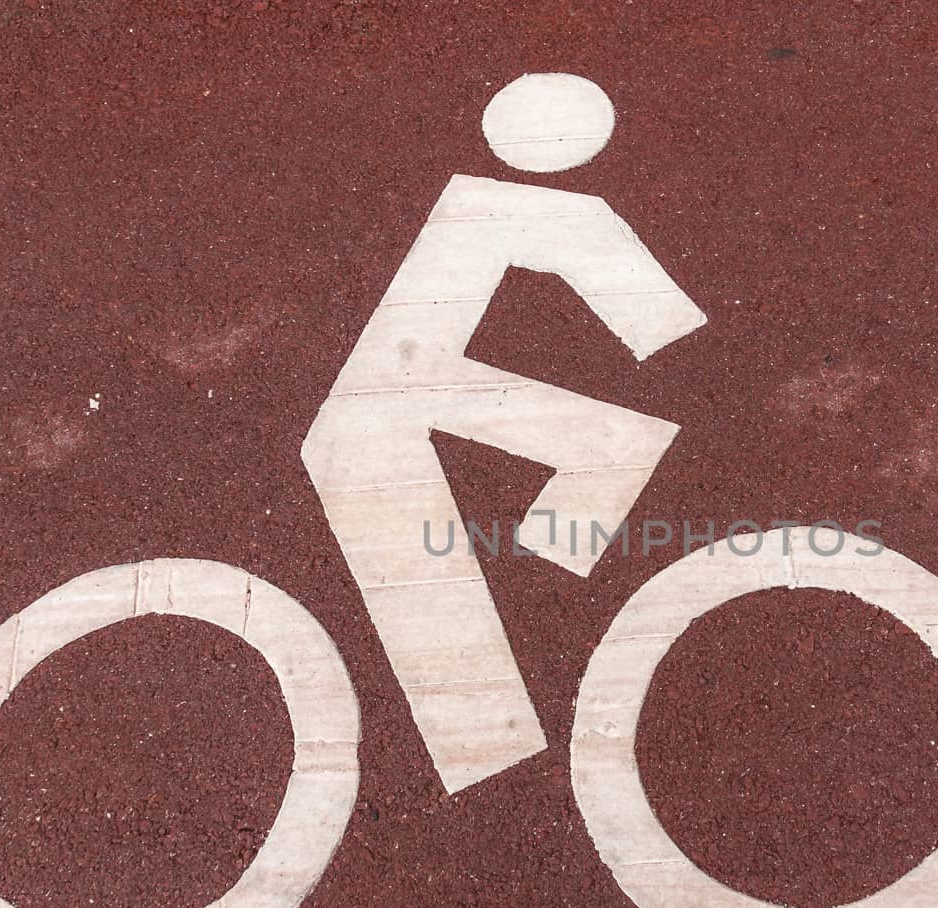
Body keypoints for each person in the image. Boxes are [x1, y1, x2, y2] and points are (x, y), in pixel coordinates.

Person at [302, 74, 706, 793]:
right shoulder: (563, 213)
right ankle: (551, 569)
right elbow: (662, 325)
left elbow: (661, 326)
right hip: (399, 410)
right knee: (567, 497)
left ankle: (495, 717)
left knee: (478, 537)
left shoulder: (485, 204)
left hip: (385, 416)